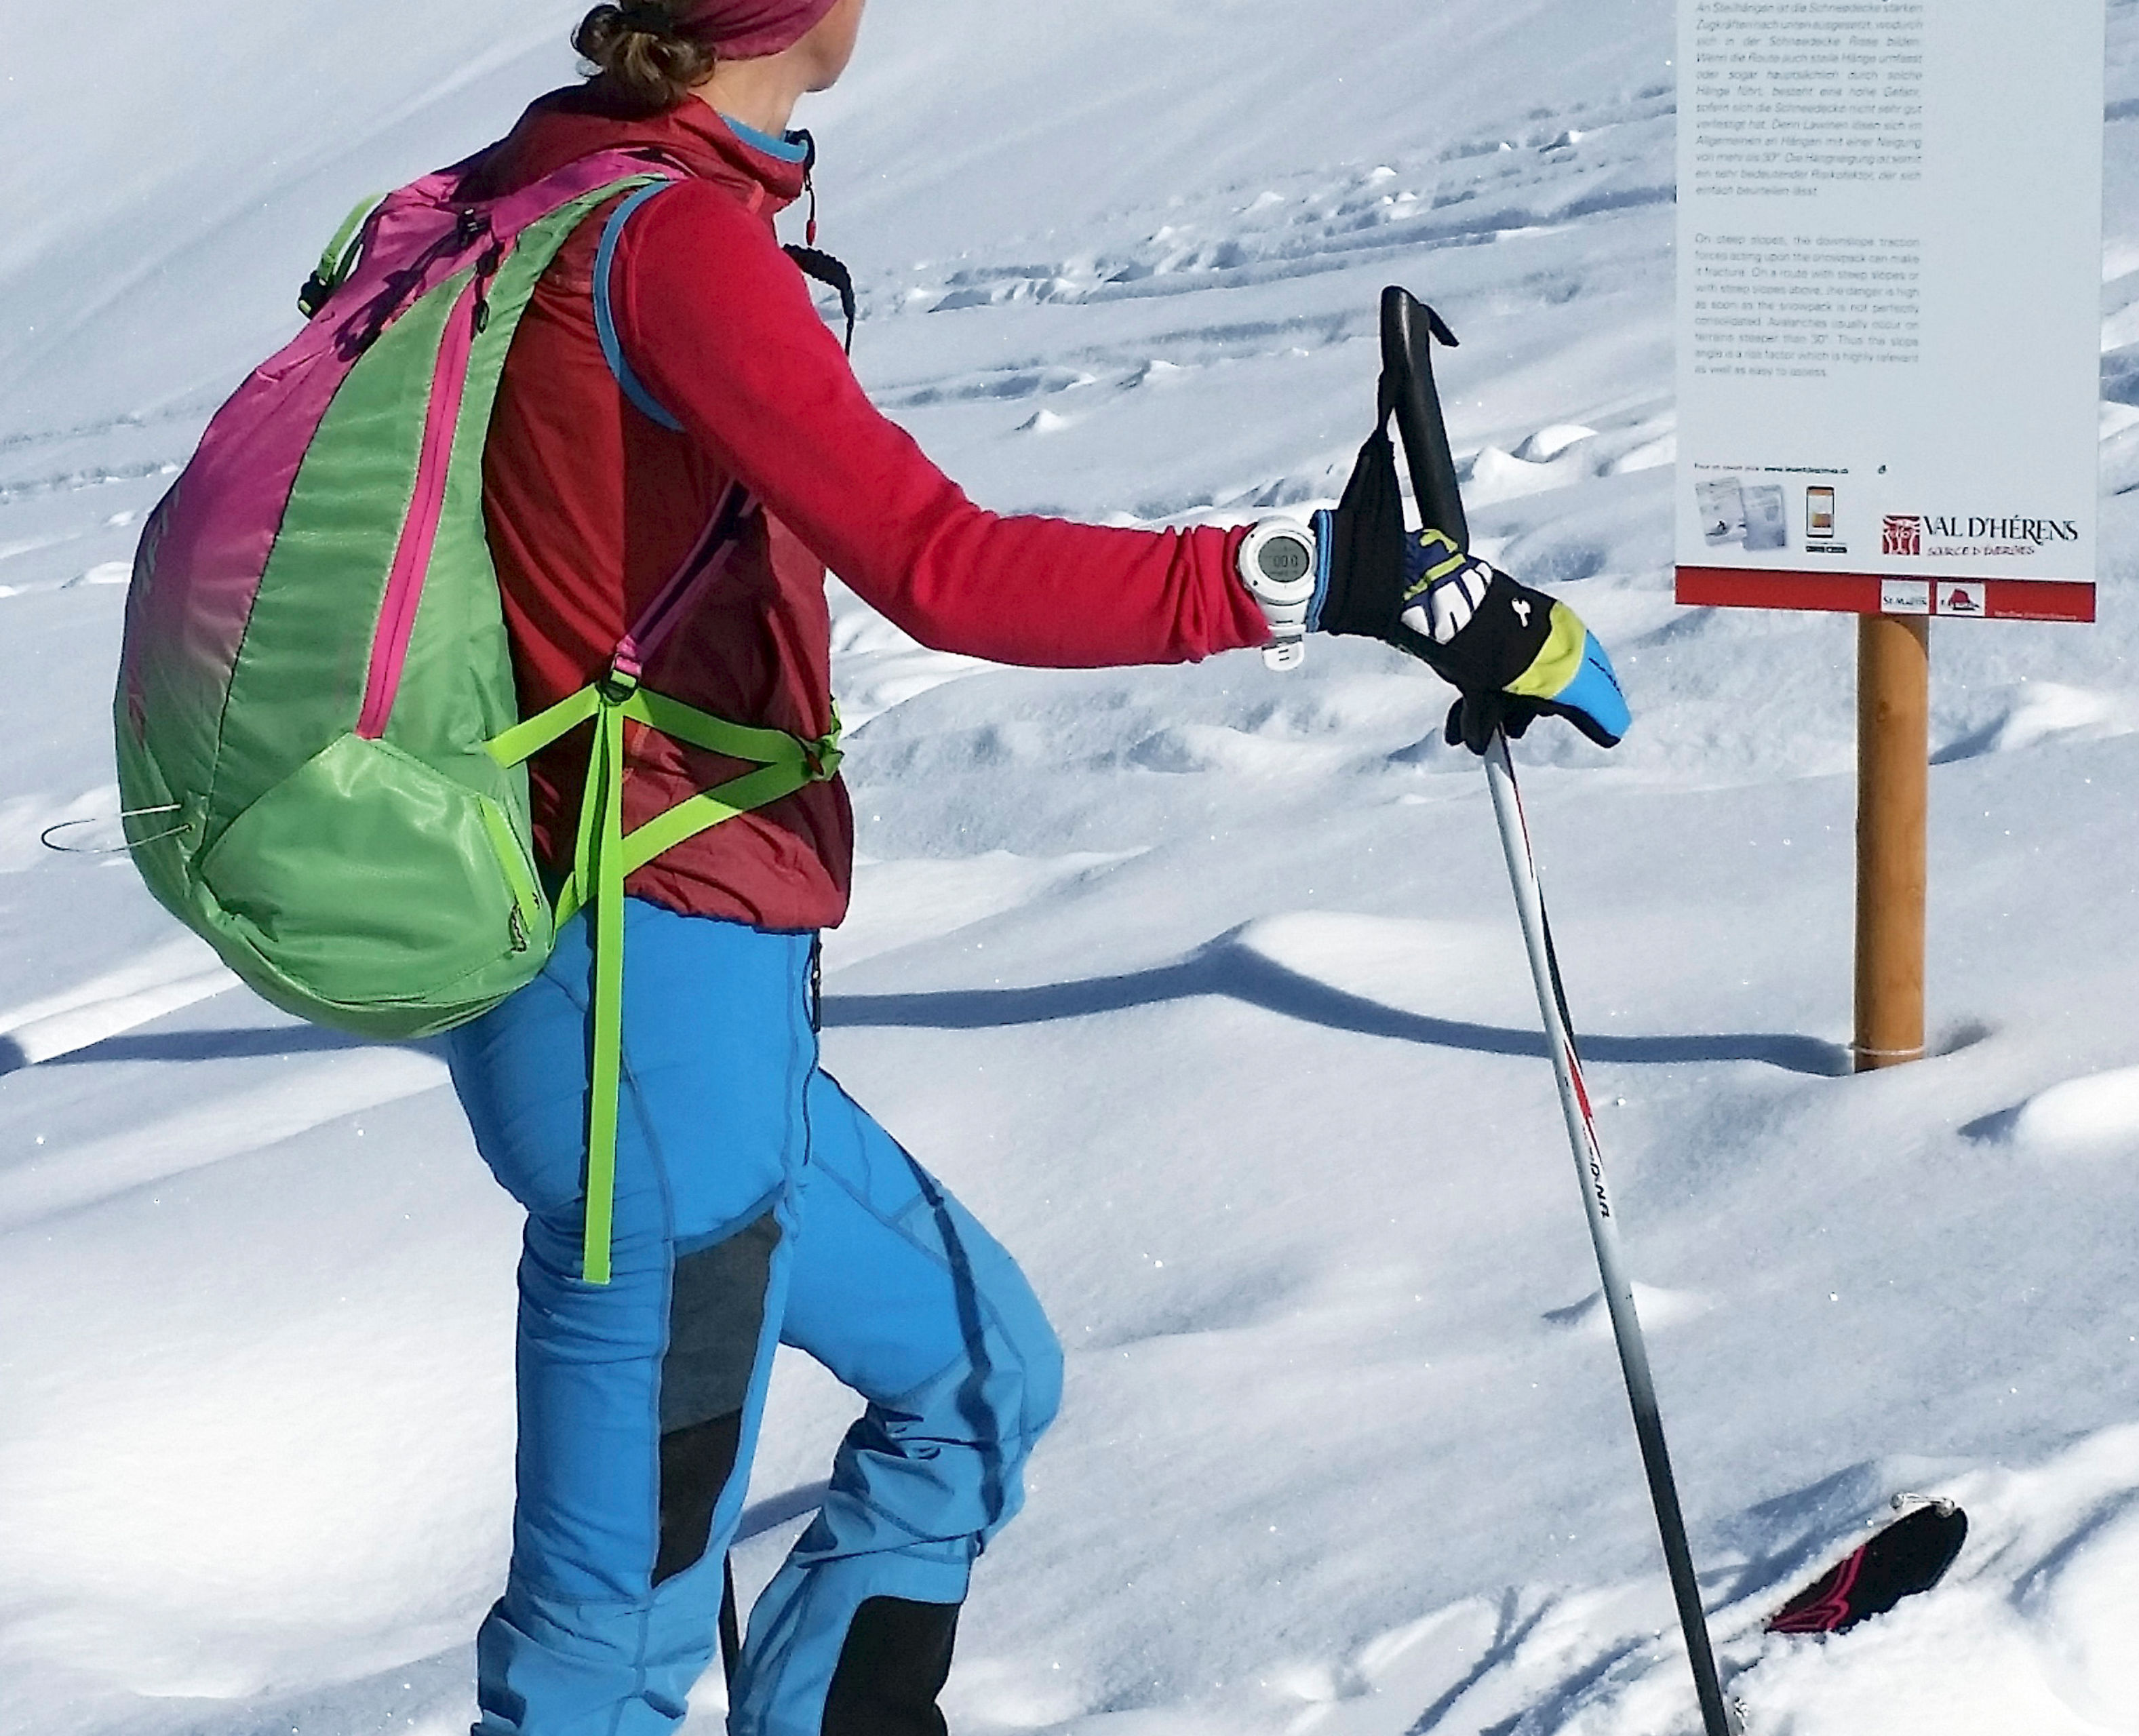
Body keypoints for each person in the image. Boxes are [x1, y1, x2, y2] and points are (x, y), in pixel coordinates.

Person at [439, 2, 1631, 1732]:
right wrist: (1315, 575)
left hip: (697, 1019)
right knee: (600, 1663)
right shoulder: (663, 243)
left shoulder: (538, 188)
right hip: (639, 1023)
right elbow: (947, 568)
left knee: (977, 1375)